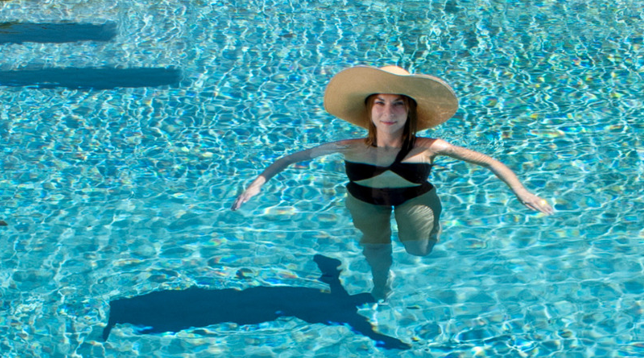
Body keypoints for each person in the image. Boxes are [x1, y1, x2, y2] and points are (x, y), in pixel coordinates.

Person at [231, 64, 553, 298]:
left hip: (415, 200)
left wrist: (522, 192)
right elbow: (289, 158)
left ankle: (431, 227)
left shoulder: (430, 146)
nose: (389, 111)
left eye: (399, 103)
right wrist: (257, 183)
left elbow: (489, 161)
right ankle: (381, 284)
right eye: (380, 102)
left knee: (419, 250)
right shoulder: (348, 147)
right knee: (376, 251)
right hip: (365, 202)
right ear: (369, 109)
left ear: (410, 110)